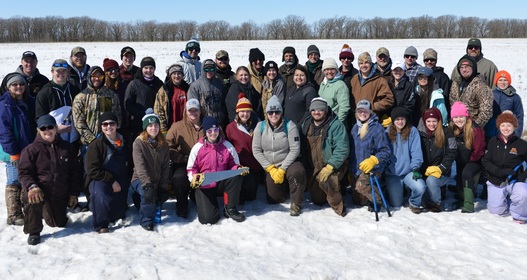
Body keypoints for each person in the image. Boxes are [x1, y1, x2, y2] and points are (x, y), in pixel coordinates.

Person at [18, 115, 82, 245]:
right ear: (38, 130)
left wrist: (73, 193)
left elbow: (75, 172)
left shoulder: (67, 147)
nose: (47, 131)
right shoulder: (31, 150)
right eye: (43, 128)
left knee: (59, 223)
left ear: (56, 128)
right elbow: (24, 173)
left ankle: (46, 210)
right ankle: (34, 231)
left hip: (59, 192)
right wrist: (32, 186)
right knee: (31, 197)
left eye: (50, 127)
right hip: (40, 190)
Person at [187, 116, 248, 224]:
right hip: (205, 184)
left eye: (215, 130)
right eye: (209, 131)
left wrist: (238, 169)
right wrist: (194, 178)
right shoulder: (197, 148)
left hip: (221, 183)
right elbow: (191, 168)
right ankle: (199, 199)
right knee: (209, 219)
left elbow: (234, 164)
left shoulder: (227, 146)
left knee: (236, 175)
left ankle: (230, 208)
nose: (213, 133)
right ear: (205, 132)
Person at [252, 96, 306, 216]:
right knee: (274, 199)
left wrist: (282, 169)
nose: (274, 115)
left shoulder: (289, 126)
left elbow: (295, 149)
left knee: (297, 172)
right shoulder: (260, 127)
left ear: (281, 112)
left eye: (277, 111)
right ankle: (285, 187)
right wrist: (270, 168)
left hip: (289, 162)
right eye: (270, 112)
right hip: (271, 166)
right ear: (267, 113)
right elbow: (256, 150)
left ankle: (296, 203)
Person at [299, 97, 349, 216]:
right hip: (313, 166)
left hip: (332, 165)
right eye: (314, 110)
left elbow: (342, 149)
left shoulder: (336, 125)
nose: (317, 112)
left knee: (329, 182)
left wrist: (330, 167)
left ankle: (339, 206)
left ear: (326, 111)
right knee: (318, 200)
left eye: (320, 109)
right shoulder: (306, 124)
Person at [84, 112, 131, 233]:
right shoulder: (96, 145)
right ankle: (101, 225)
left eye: (111, 123)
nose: (108, 126)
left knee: (116, 215)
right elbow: (91, 169)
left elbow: (130, 164)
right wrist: (111, 181)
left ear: (116, 125)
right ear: (101, 127)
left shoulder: (126, 143)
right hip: (100, 180)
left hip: (120, 181)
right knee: (101, 195)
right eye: (105, 124)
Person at [0, 73, 36, 225]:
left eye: (21, 84)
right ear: (8, 87)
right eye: (14, 85)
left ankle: (25, 208)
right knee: (14, 180)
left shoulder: (29, 101)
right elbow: (4, 131)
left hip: (28, 147)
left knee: (25, 178)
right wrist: (13, 151)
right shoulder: (4, 105)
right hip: (12, 150)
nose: (18, 87)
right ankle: (13, 214)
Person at [482, 112, 527, 224]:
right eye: (503, 125)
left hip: (514, 181)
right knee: (496, 212)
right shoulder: (493, 142)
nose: (506, 128)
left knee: (523, 194)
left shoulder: (521, 144)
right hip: (496, 180)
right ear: (498, 126)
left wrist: (522, 177)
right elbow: (486, 161)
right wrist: (499, 171)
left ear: (514, 127)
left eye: (509, 125)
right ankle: (505, 200)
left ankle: (519, 214)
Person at [130, 109, 170, 231]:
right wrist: (147, 185)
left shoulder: (163, 144)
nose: (153, 128)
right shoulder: (139, 143)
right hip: (140, 179)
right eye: (150, 125)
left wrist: (163, 186)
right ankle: (146, 221)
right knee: (148, 194)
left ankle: (144, 203)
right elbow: (140, 166)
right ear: (145, 127)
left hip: (156, 179)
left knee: (155, 199)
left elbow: (165, 166)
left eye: (156, 125)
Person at [166, 99, 204, 218]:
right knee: (179, 178)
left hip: (204, 163)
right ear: (186, 112)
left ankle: (197, 196)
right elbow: (168, 147)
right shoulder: (177, 126)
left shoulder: (208, 124)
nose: (193, 113)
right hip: (184, 161)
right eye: (190, 110)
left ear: (200, 111)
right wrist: (182, 158)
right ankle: (182, 205)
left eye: (196, 110)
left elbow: (220, 140)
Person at [349, 100, 390, 209]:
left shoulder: (377, 128)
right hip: (357, 168)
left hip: (373, 167)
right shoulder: (355, 128)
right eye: (360, 111)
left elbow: (386, 151)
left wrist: (374, 160)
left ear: (370, 112)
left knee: (361, 186)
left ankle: (379, 198)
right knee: (359, 201)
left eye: (365, 111)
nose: (362, 113)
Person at [384, 107, 426, 213]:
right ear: (393, 120)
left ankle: (414, 203)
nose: (400, 121)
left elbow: (416, 152)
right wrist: (387, 167)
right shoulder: (387, 132)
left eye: (402, 119)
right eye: (397, 119)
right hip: (393, 173)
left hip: (408, 171)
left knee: (420, 187)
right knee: (396, 204)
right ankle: (391, 190)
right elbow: (384, 152)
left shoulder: (413, 131)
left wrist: (415, 168)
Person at [72, 66, 122, 151]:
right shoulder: (81, 97)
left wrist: (110, 135)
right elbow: (79, 122)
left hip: (108, 141)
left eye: (100, 76)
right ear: (89, 77)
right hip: (88, 144)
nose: (97, 79)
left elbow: (117, 117)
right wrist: (92, 140)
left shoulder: (111, 95)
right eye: (94, 76)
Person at [225, 94, 263, 204]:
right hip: (240, 166)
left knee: (251, 196)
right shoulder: (231, 127)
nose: (245, 114)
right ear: (237, 112)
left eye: (247, 111)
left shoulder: (259, 125)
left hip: (255, 165)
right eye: (242, 111)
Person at [418, 108, 457, 212]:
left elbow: (452, 152)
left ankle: (436, 204)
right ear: (424, 121)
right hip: (424, 171)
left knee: (431, 181)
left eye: (434, 121)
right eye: (429, 121)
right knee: (424, 202)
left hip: (441, 171)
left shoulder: (447, 132)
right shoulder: (419, 133)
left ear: (439, 121)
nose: (432, 124)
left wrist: (441, 168)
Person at [449, 102, 485, 213]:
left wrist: (470, 161)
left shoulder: (475, 130)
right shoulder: (453, 129)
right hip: (462, 159)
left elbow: (479, 150)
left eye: (461, 116)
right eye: (456, 117)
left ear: (466, 116)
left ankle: (469, 204)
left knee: (466, 173)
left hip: (475, 160)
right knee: (459, 174)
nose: (458, 120)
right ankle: (462, 198)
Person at [35, 59, 81, 144]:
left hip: (73, 137)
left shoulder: (74, 90)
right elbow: (40, 118)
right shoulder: (44, 92)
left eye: (64, 71)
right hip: (52, 138)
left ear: (68, 73)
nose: (61, 74)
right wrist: (55, 129)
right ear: (52, 72)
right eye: (58, 71)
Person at [350, 52, 394, 126]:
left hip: (372, 119)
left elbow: (389, 99)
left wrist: (372, 106)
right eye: (361, 63)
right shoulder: (354, 79)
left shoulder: (379, 80)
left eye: (366, 62)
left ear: (371, 64)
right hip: (357, 119)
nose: (364, 65)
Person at [124, 56, 164, 137]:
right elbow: (127, 104)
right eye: (146, 68)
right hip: (138, 123)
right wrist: (141, 114)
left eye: (151, 68)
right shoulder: (134, 83)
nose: (148, 71)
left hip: (155, 123)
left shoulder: (159, 83)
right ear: (141, 68)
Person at [450, 55, 493, 128]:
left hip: (473, 129)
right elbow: (452, 104)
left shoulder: (481, 86)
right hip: (457, 127)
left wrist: (474, 127)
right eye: (461, 67)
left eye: (467, 67)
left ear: (473, 68)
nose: (464, 70)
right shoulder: (455, 83)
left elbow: (486, 111)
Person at [187, 59, 227, 127]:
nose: (209, 72)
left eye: (211, 69)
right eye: (206, 69)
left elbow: (224, 103)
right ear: (202, 70)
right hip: (203, 123)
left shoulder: (219, 84)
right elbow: (193, 107)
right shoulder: (195, 86)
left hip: (220, 123)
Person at [484, 70, 524, 138]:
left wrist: (517, 135)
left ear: (509, 82)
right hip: (490, 132)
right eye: (500, 80)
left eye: (505, 80)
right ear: (496, 81)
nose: (502, 82)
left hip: (507, 132)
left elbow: (519, 116)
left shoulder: (515, 97)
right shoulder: (490, 94)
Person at [154, 63, 190, 134]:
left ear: (182, 75)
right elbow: (158, 110)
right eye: (174, 74)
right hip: (170, 127)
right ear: (170, 75)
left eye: (179, 73)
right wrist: (163, 129)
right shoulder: (164, 90)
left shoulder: (188, 88)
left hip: (186, 127)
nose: (177, 76)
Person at [104, 58, 130, 140]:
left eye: (115, 69)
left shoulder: (123, 85)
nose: (113, 72)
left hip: (121, 124)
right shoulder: (102, 87)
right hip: (106, 125)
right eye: (110, 70)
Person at [318, 58, 350, 125]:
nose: (329, 72)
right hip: (324, 122)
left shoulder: (340, 85)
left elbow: (344, 108)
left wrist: (338, 124)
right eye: (326, 69)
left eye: (332, 69)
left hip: (335, 123)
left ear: (336, 70)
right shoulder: (323, 83)